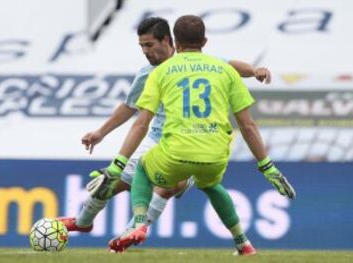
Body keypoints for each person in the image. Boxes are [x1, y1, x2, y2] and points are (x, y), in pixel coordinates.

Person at [88, 15, 296, 255]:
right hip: (216, 152)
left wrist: (117, 163)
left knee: (143, 169)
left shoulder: (161, 71)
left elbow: (140, 123)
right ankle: (243, 243)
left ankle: (138, 224)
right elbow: (248, 126)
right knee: (212, 185)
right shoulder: (224, 70)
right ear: (205, 41)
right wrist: (267, 166)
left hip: (177, 148)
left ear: (174, 43)